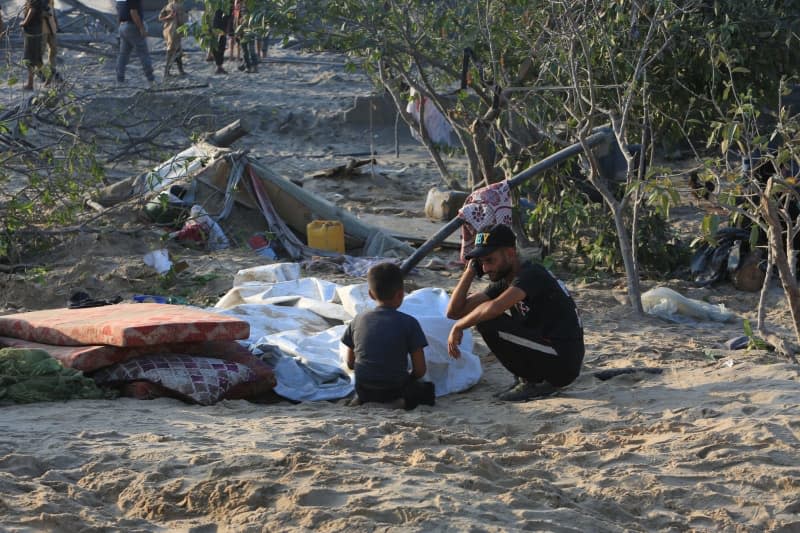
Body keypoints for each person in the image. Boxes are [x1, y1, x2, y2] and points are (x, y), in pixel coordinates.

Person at [446, 224, 584, 401]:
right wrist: (471, 270)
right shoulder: (506, 280)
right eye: (482, 262)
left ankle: (531, 383)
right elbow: (455, 311)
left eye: (490, 260)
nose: (486, 268)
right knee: (484, 317)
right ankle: (528, 379)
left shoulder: (531, 274)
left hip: (563, 361)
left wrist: (459, 326)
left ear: (510, 253)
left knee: (487, 321)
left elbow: (494, 308)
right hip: (548, 351)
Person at [341, 263, 435, 410]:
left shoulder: (358, 319)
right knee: (427, 391)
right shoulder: (409, 323)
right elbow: (420, 370)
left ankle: (361, 400)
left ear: (371, 294)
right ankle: (400, 403)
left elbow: (350, 363)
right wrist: (407, 377)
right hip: (394, 390)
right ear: (400, 294)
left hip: (364, 389)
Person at [115, 0, 155, 85]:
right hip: (132, 26)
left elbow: (119, 12)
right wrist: (141, 28)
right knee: (143, 53)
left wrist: (120, 29)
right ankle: (151, 80)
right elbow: (133, 12)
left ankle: (120, 79)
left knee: (123, 55)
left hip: (123, 26)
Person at [20, 0, 44, 91]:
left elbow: (32, 10)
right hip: (36, 32)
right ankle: (49, 79)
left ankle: (30, 84)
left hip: (32, 33)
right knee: (37, 58)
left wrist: (24, 23)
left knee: (29, 59)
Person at [159, 0, 187, 76]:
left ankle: (180, 70)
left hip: (167, 31)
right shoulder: (179, 6)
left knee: (177, 50)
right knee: (172, 51)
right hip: (175, 32)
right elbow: (181, 21)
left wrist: (168, 17)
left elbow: (160, 18)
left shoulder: (167, 6)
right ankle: (166, 71)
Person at [40, 0, 59, 82]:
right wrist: (43, 14)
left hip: (51, 28)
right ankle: (42, 73)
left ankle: (52, 71)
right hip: (41, 28)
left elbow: (53, 12)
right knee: (40, 52)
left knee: (54, 50)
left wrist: (56, 23)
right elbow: (30, 11)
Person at [210, 5, 229, 74]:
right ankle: (219, 66)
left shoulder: (224, 4)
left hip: (222, 27)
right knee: (215, 47)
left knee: (221, 47)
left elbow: (227, 15)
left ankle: (219, 66)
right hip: (214, 27)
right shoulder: (214, 3)